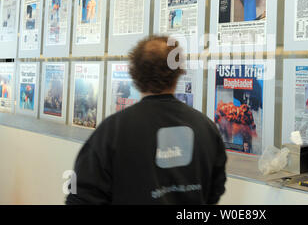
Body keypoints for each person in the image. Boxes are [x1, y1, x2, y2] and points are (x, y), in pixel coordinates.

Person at [66, 36, 227, 204]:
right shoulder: (207, 129)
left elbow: (82, 196)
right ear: (179, 71)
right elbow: (215, 190)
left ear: (134, 73)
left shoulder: (112, 131)